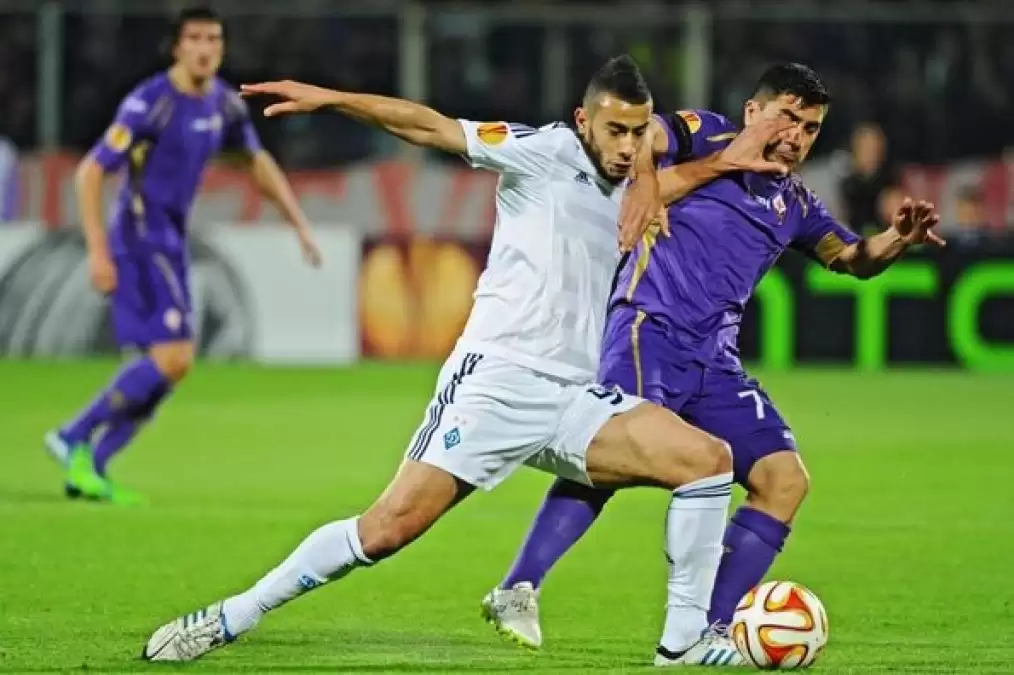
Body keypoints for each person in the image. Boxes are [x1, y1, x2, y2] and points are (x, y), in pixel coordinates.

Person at [139, 54, 746, 664]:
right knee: (384, 530)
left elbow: (666, 181)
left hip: (573, 398)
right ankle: (229, 616)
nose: (629, 146)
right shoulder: (540, 152)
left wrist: (719, 164)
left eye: (639, 133)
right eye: (615, 131)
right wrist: (333, 98)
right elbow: (429, 126)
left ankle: (682, 643)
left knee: (707, 461)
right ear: (582, 121)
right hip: (497, 383)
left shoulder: (630, 179)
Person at [481, 63, 945, 667]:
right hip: (649, 330)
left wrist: (895, 240)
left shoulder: (795, 203)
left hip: (716, 362)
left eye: (810, 127)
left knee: (784, 480)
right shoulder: (708, 134)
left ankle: (709, 628)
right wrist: (647, 184)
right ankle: (518, 586)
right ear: (753, 113)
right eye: (787, 117)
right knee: (614, 459)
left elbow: (853, 258)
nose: (797, 136)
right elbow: (646, 139)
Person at [42, 6, 321, 505]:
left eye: (213, 39)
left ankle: (91, 466)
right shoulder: (150, 102)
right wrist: (98, 252)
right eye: (195, 39)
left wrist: (299, 224)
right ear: (176, 47)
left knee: (174, 363)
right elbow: (90, 172)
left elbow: (256, 162)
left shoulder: (222, 104)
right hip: (139, 237)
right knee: (173, 356)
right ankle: (73, 435)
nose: (205, 48)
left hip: (170, 239)